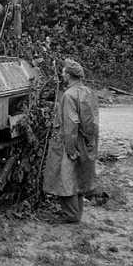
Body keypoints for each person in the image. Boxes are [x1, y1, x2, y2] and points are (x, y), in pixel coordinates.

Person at [43, 58, 99, 223]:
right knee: (79, 177)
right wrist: (89, 142)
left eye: (63, 72)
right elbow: (91, 121)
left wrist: (70, 149)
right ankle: (76, 213)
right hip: (85, 140)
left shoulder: (68, 95)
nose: (62, 74)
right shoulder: (88, 92)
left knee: (65, 178)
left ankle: (71, 215)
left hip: (71, 141)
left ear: (68, 75)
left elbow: (70, 125)